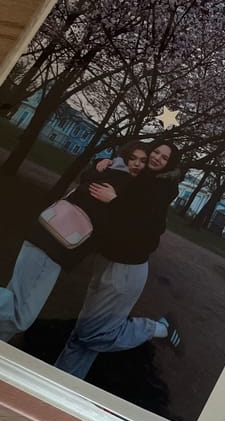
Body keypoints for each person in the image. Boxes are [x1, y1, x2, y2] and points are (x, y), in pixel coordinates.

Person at [55, 140, 183, 379]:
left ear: (169, 165)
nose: (156, 158)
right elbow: (101, 177)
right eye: (155, 152)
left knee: (94, 334)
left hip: (125, 269)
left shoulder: (159, 191)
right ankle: (63, 380)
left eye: (164, 158)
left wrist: (114, 201)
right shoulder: (140, 176)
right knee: (83, 333)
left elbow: (144, 228)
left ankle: (161, 329)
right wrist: (101, 162)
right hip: (106, 260)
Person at [0, 140, 149, 343]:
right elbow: (113, 224)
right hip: (52, 246)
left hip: (45, 237)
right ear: (124, 158)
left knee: (14, 302)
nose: (137, 164)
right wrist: (116, 201)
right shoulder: (121, 182)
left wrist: (100, 162)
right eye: (133, 158)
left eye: (142, 160)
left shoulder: (109, 171)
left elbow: (87, 179)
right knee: (20, 315)